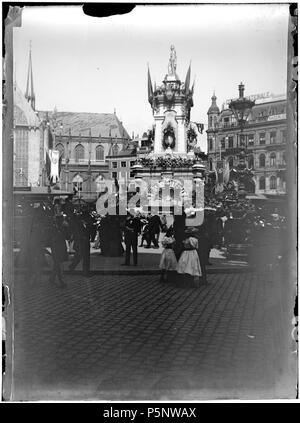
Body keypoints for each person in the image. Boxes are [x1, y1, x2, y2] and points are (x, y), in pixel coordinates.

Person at [49, 217, 68, 287]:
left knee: (57, 264)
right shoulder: (54, 228)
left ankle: (52, 278)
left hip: (60, 247)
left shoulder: (61, 228)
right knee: (58, 264)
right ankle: (61, 280)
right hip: (56, 248)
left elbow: (67, 236)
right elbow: (54, 238)